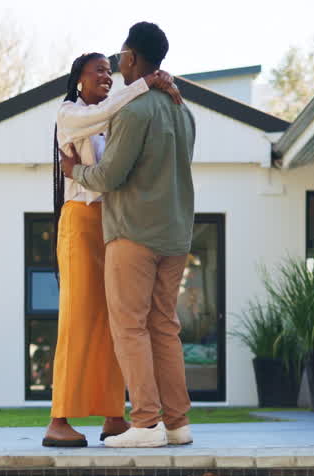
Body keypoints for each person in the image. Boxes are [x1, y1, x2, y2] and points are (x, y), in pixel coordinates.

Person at [61, 22, 196, 449]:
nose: (117, 65)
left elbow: (108, 175)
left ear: (133, 59)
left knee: (130, 328)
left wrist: (74, 171)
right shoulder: (182, 110)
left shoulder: (132, 112)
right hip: (175, 235)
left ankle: (145, 423)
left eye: (120, 57)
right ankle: (177, 424)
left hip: (134, 234)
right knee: (164, 328)